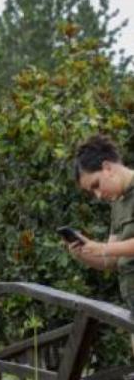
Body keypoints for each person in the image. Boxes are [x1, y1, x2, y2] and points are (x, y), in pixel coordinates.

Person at [71, 136, 134, 335]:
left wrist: (102, 247)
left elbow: (107, 249)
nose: (98, 195)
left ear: (107, 167)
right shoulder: (118, 203)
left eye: (96, 184)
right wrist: (83, 252)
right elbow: (111, 260)